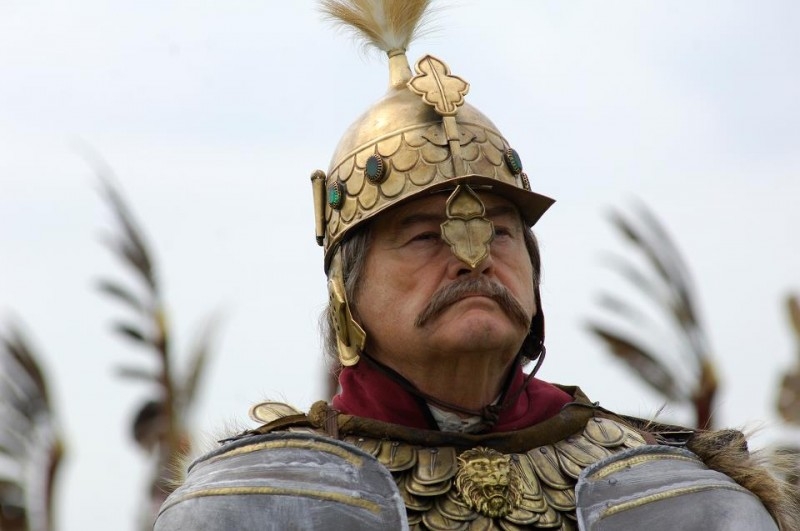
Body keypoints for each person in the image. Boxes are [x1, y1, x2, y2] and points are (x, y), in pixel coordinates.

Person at [154, 1, 798, 530]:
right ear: (346, 290)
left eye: (500, 231)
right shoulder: (248, 508)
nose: (474, 257)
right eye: (424, 236)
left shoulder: (681, 500)